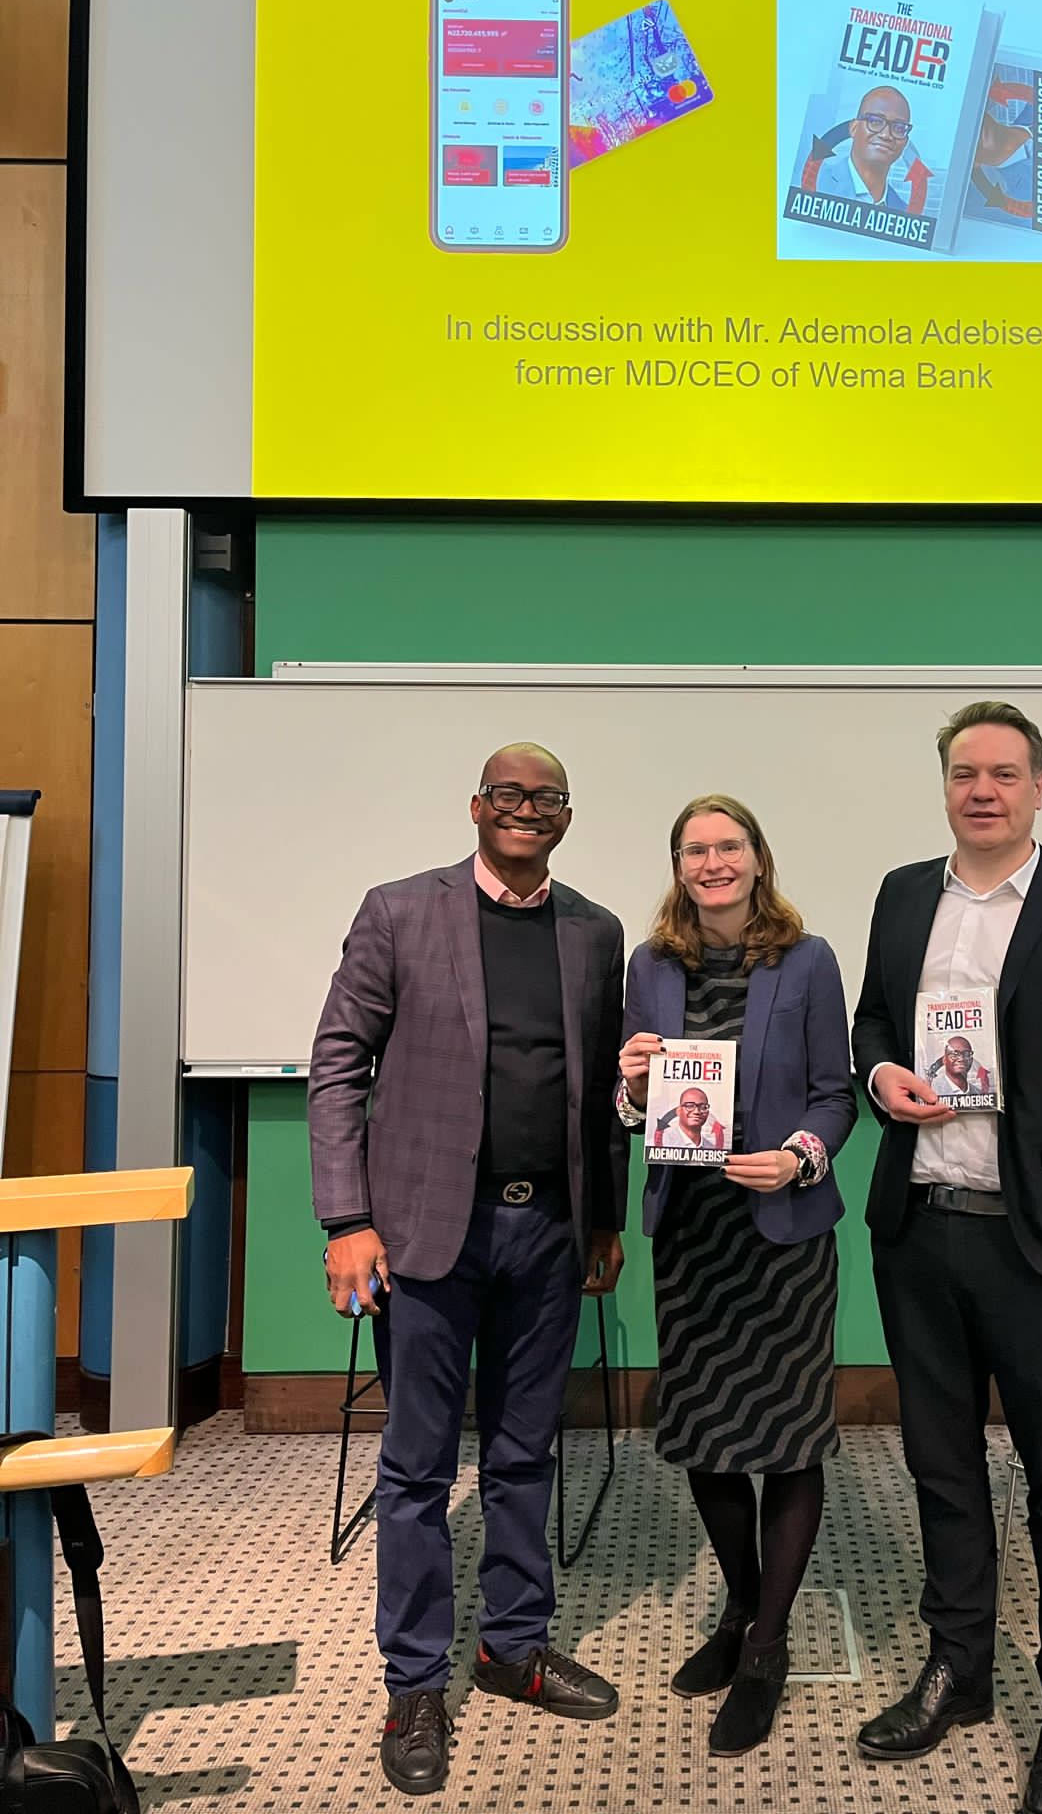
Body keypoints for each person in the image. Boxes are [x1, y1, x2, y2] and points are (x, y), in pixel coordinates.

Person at [309, 742, 628, 1799]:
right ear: (477, 805)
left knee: (526, 1453)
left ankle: (511, 1645)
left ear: (566, 817)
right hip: (425, 1235)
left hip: (550, 1235)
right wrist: (347, 1218)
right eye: (508, 793)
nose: (525, 808)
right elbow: (338, 1064)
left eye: (545, 797)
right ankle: (413, 1682)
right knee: (416, 1470)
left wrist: (604, 1217)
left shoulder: (594, 931)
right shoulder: (400, 911)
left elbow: (598, 1087)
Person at [851, 702, 1042, 1814]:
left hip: (1041, 1245)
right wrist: (880, 1076)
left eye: (1005, 774)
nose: (983, 790)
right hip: (920, 1227)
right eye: (965, 772)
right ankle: (959, 1667)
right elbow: (872, 1023)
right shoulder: (901, 894)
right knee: (941, 1466)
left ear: (1038, 789)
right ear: (944, 786)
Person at [617, 794, 857, 1756]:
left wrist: (800, 1156)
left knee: (788, 1441)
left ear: (759, 858)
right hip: (693, 1235)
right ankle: (743, 1608)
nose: (712, 863)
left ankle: (765, 1650)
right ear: (678, 865)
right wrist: (632, 1086)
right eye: (695, 850)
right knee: (709, 1439)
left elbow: (836, 1096)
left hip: (783, 1235)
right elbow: (633, 1102)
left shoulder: (808, 959)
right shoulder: (650, 965)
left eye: (729, 846)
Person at [820, 84, 914, 208]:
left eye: (899, 128)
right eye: (875, 121)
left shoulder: (903, 212)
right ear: (853, 128)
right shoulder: (815, 184)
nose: (886, 135)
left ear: (905, 142)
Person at [655, 1087, 730, 1151]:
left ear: (707, 1113)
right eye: (690, 1106)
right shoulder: (662, 1144)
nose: (697, 1111)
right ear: (679, 1111)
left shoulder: (712, 1150)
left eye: (703, 1107)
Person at [928, 1034, 992, 1099]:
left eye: (966, 1054)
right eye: (954, 1054)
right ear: (944, 1060)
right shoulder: (932, 1090)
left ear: (971, 1060)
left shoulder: (979, 1094)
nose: (961, 1059)